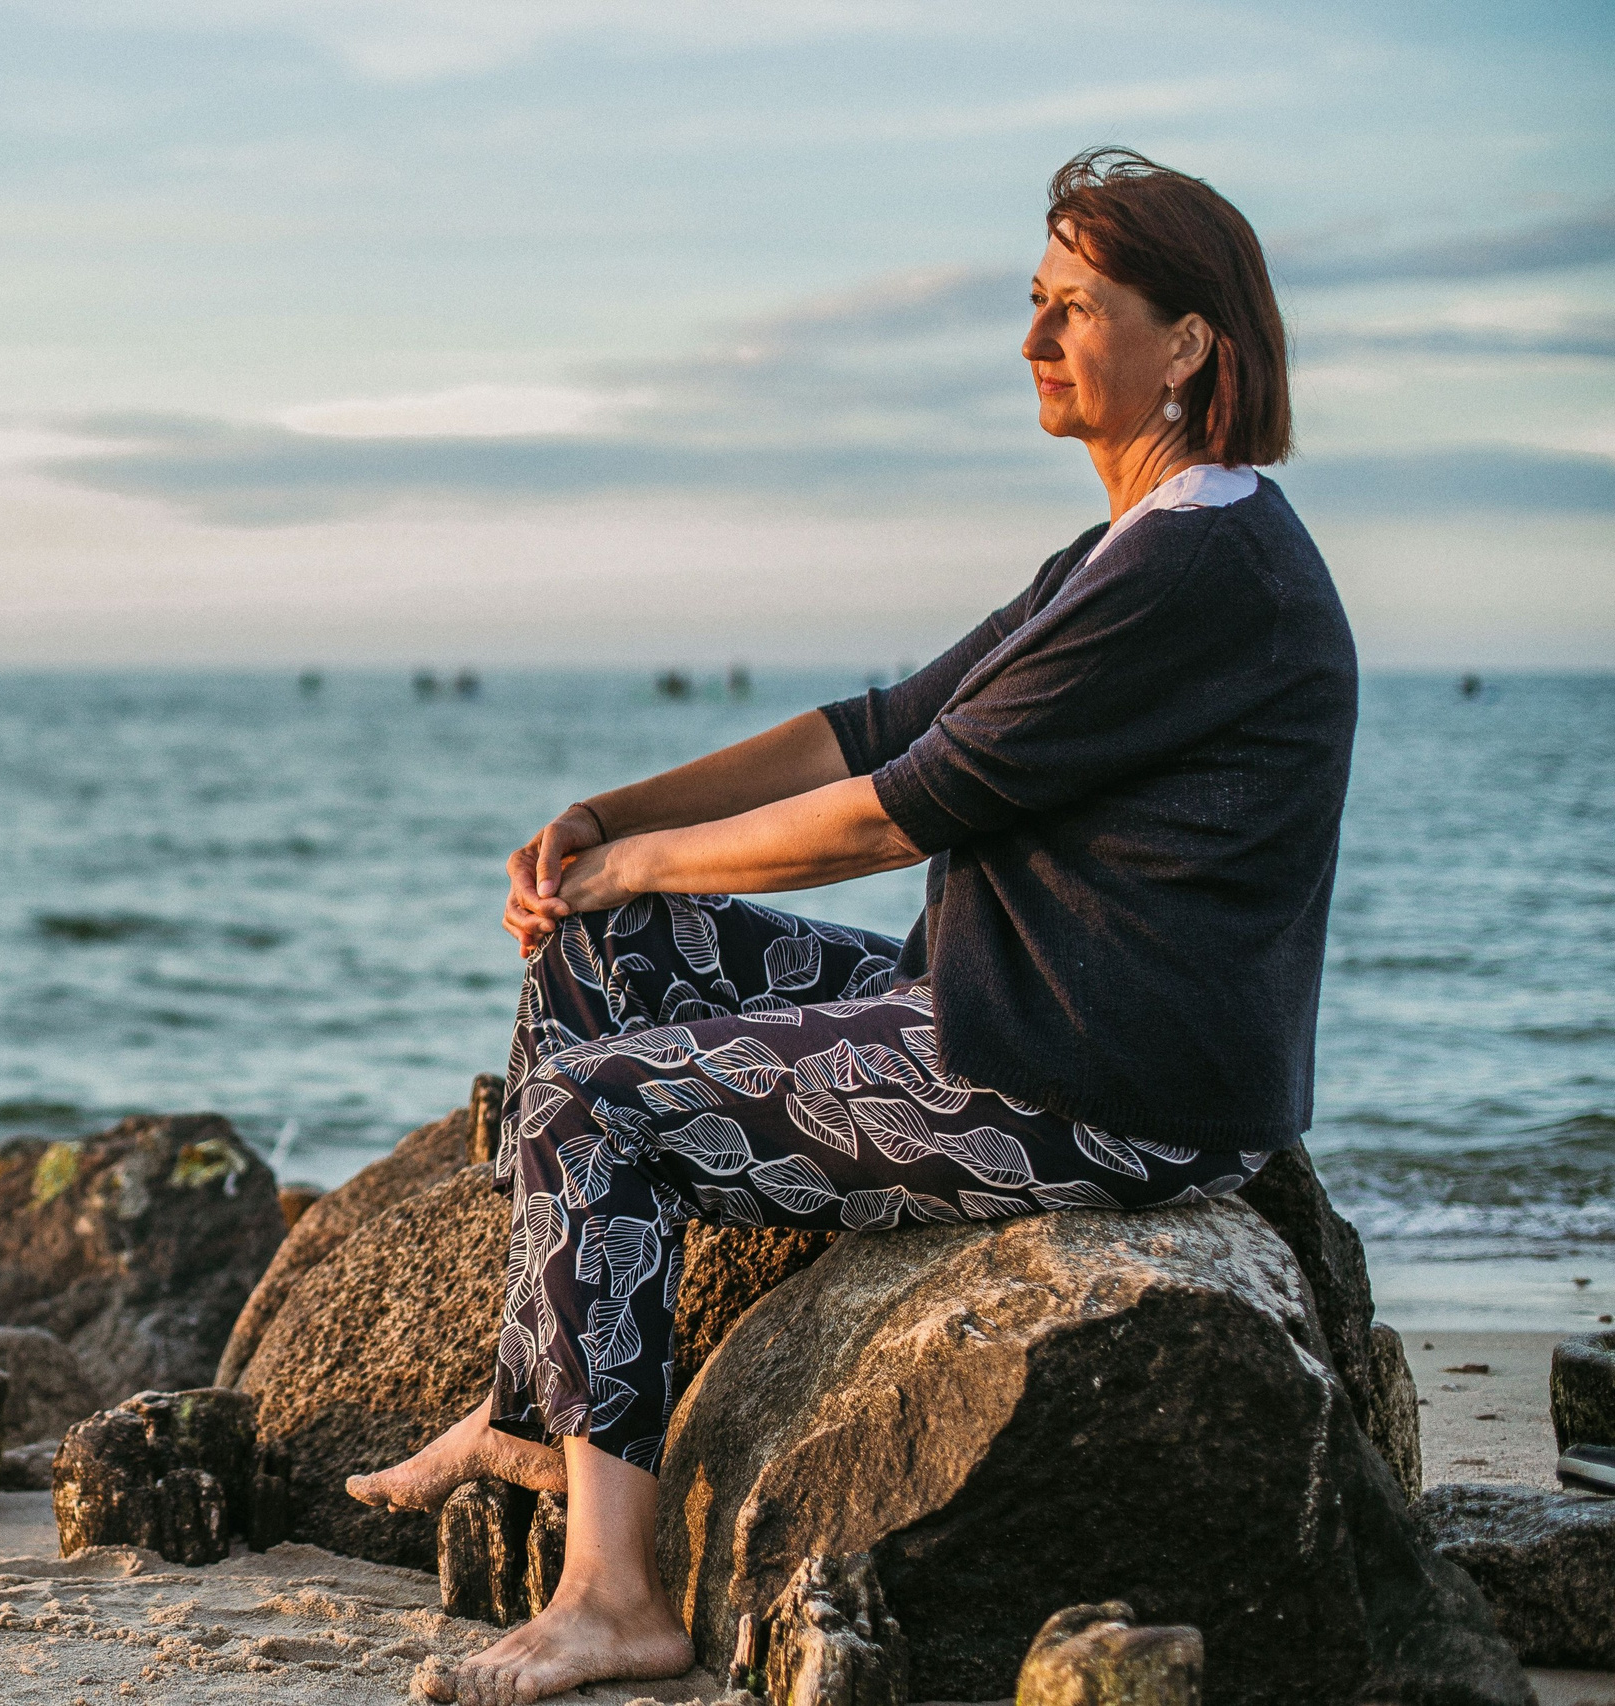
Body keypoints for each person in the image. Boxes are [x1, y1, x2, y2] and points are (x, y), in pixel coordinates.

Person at [350, 146, 1359, 1706]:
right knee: (602, 947)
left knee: (589, 1107)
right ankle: (540, 1411)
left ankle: (615, 1595)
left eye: (1076, 309)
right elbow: (878, 720)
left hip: (1098, 1085)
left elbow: (904, 803)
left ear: (1190, 345)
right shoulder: (1129, 549)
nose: (1032, 340)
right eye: (1034, 303)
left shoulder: (1206, 567)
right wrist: (613, 824)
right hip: (1017, 1002)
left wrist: (646, 858)